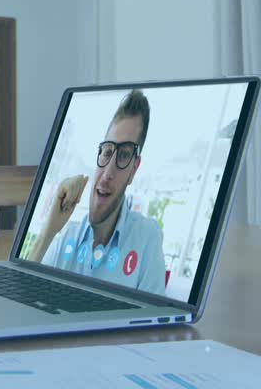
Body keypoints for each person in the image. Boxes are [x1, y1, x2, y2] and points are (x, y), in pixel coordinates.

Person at [24, 90, 166, 295]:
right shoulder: (66, 234)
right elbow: (22, 295)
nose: (108, 173)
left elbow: (155, 323)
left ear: (134, 170)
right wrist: (48, 232)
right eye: (107, 152)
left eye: (124, 155)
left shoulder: (147, 238)